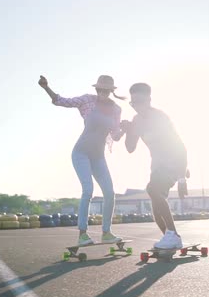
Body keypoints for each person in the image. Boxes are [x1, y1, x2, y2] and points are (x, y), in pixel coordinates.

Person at [38, 75, 125, 246]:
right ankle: (82, 234)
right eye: (100, 90)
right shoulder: (87, 100)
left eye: (106, 90)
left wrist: (125, 130)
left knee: (109, 192)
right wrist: (46, 88)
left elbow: (115, 136)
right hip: (81, 153)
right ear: (96, 89)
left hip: (98, 156)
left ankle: (106, 233)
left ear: (111, 91)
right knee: (88, 191)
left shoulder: (116, 109)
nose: (103, 93)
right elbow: (61, 101)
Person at [120, 83, 188, 249]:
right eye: (133, 103)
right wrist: (128, 131)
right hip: (157, 168)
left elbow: (181, 147)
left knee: (152, 190)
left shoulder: (160, 118)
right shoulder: (136, 121)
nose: (137, 106)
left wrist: (181, 178)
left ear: (149, 100)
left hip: (173, 163)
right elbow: (130, 148)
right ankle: (170, 239)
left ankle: (173, 235)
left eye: (140, 101)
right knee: (156, 209)